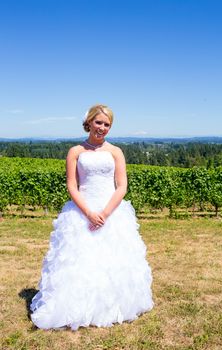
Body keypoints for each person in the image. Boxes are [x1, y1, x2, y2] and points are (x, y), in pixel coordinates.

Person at [30, 104, 154, 331]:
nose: (102, 128)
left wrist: (105, 213)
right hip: (82, 212)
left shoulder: (116, 152)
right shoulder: (75, 151)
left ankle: (113, 305)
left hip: (112, 212)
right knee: (78, 260)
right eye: (99, 122)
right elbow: (71, 185)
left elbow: (122, 186)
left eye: (107, 124)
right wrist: (88, 212)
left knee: (113, 260)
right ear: (89, 122)